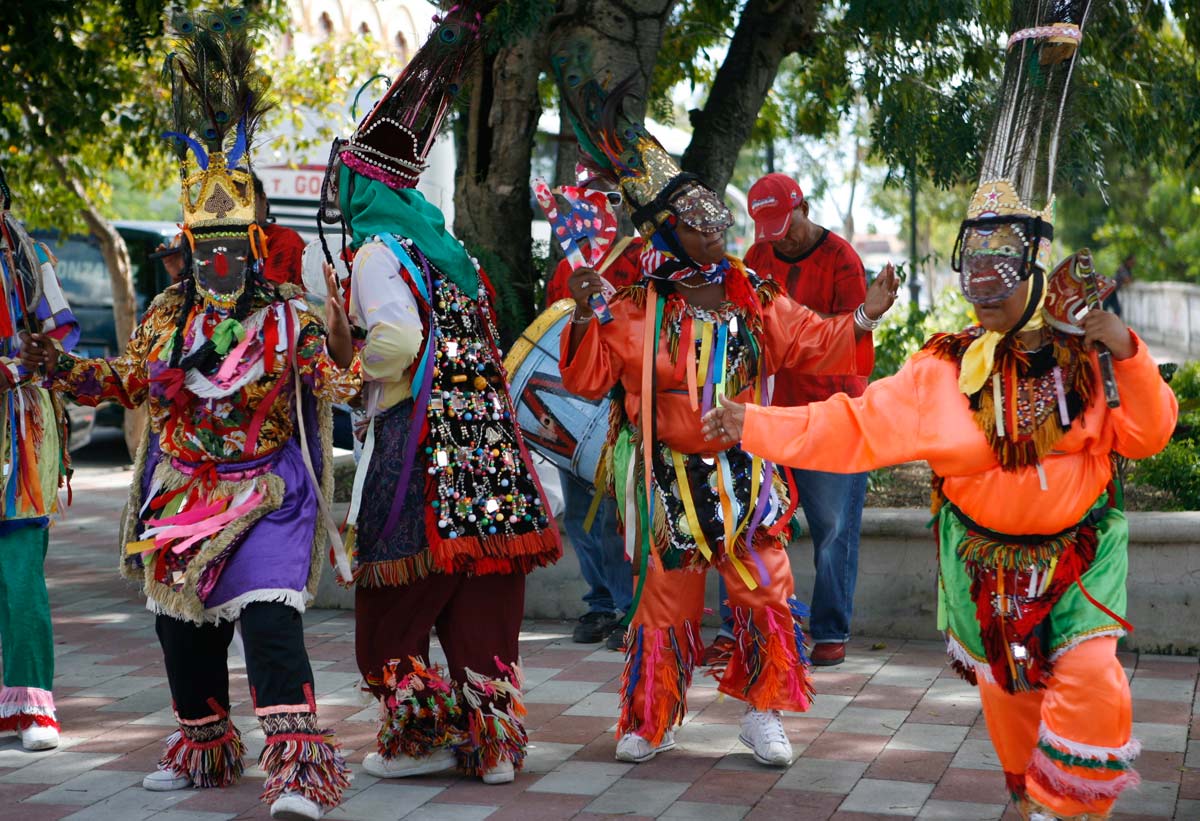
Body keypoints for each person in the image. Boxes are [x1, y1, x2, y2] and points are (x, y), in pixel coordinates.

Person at [22, 12, 358, 820]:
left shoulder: (288, 316)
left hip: (267, 493)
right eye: (203, 244)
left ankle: (295, 771)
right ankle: (205, 744)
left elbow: (330, 383)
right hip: (183, 496)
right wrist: (60, 366)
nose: (216, 259)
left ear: (254, 242)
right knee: (186, 634)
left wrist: (348, 354)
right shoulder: (167, 315)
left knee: (272, 627)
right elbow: (131, 382)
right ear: (188, 241)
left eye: (230, 245)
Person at [551, 38, 897, 767]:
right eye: (703, 219)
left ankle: (764, 714)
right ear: (670, 231)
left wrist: (864, 316)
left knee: (767, 593)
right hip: (670, 479)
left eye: (719, 216)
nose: (719, 227)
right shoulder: (636, 305)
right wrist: (585, 314)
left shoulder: (753, 298)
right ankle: (653, 716)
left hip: (746, 474)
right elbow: (584, 383)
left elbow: (814, 341)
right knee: (664, 606)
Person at [323, 1, 560, 786]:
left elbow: (398, 343)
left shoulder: (377, 254)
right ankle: (491, 745)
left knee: (392, 603)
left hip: (421, 457)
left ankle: (421, 738)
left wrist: (347, 372)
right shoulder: (450, 253)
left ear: (360, 190)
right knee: (482, 595)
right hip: (487, 456)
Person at [708, 174, 873, 668]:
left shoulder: (842, 259)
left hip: (830, 416)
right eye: (770, 229)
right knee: (741, 517)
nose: (781, 237)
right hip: (768, 416)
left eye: (786, 223)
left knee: (832, 525)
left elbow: (848, 337)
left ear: (802, 205)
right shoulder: (758, 258)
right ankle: (734, 624)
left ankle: (829, 628)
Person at [0, 167, 79, 751]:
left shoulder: (28, 257)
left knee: (21, 573)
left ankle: (32, 708)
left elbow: (62, 333)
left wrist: (31, 360)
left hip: (20, 430)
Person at [545, 210, 642, 651]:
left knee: (615, 517)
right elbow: (553, 327)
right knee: (580, 514)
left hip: (621, 402)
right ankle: (601, 601)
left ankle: (630, 608)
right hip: (572, 400)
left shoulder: (642, 257)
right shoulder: (569, 263)